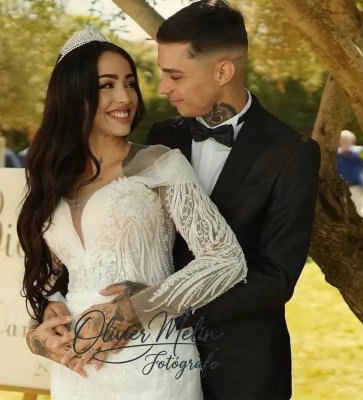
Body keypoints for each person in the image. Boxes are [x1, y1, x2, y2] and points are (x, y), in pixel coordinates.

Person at [41, 2, 320, 399]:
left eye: (175, 75)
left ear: (222, 71)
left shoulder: (291, 153)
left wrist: (152, 307)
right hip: (125, 359)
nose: (161, 88)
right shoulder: (163, 137)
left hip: (239, 365)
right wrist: (51, 315)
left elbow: (274, 279)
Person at [17, 26, 247, 400]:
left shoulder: (160, 164)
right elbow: (50, 277)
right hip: (77, 372)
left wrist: (132, 310)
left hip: (152, 363)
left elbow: (226, 260)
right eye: (106, 85)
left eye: (129, 83)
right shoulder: (50, 179)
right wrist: (38, 333)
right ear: (72, 95)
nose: (124, 96)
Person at [336, 130, 363, 216]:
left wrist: (350, 153)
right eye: (342, 140)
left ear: (351, 140)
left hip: (359, 182)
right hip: (345, 184)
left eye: (346, 140)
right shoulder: (337, 153)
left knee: (362, 203)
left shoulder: (359, 149)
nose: (344, 142)